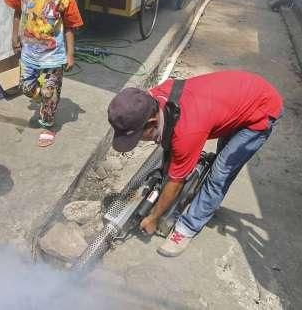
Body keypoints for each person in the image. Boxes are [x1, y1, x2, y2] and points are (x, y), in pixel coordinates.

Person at [107, 70, 283, 257]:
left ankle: (187, 228)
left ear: (151, 122)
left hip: (260, 110)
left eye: (137, 137)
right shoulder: (151, 99)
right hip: (238, 96)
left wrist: (154, 217)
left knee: (220, 173)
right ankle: (198, 197)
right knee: (215, 151)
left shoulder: (187, 131)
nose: (139, 141)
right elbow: (168, 138)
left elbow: (176, 179)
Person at [5, 0, 84, 147]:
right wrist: (14, 36)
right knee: (25, 87)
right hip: (29, 54)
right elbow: (17, 12)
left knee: (50, 92)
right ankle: (48, 98)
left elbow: (70, 26)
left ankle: (48, 124)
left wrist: (70, 54)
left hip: (54, 56)